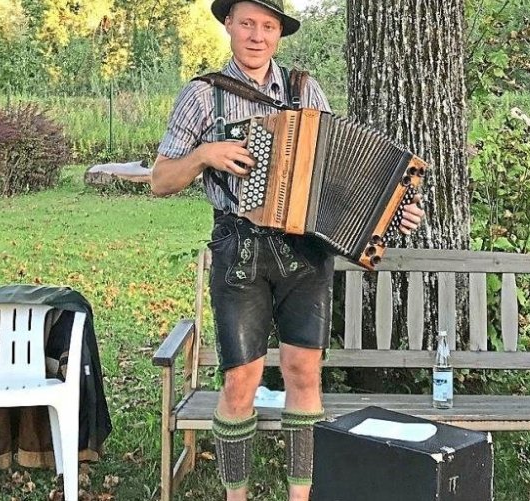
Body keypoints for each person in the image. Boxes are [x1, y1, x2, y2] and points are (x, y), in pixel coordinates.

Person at [150, 1, 425, 500]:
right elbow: (159, 181)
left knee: (304, 373)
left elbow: (344, 179)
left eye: (268, 26)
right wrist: (204, 154)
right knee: (241, 380)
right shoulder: (202, 95)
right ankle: (237, 495)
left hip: (306, 254)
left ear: (279, 34)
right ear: (229, 25)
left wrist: (394, 213)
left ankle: (302, 495)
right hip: (240, 251)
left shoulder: (305, 90)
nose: (257, 35)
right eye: (248, 23)